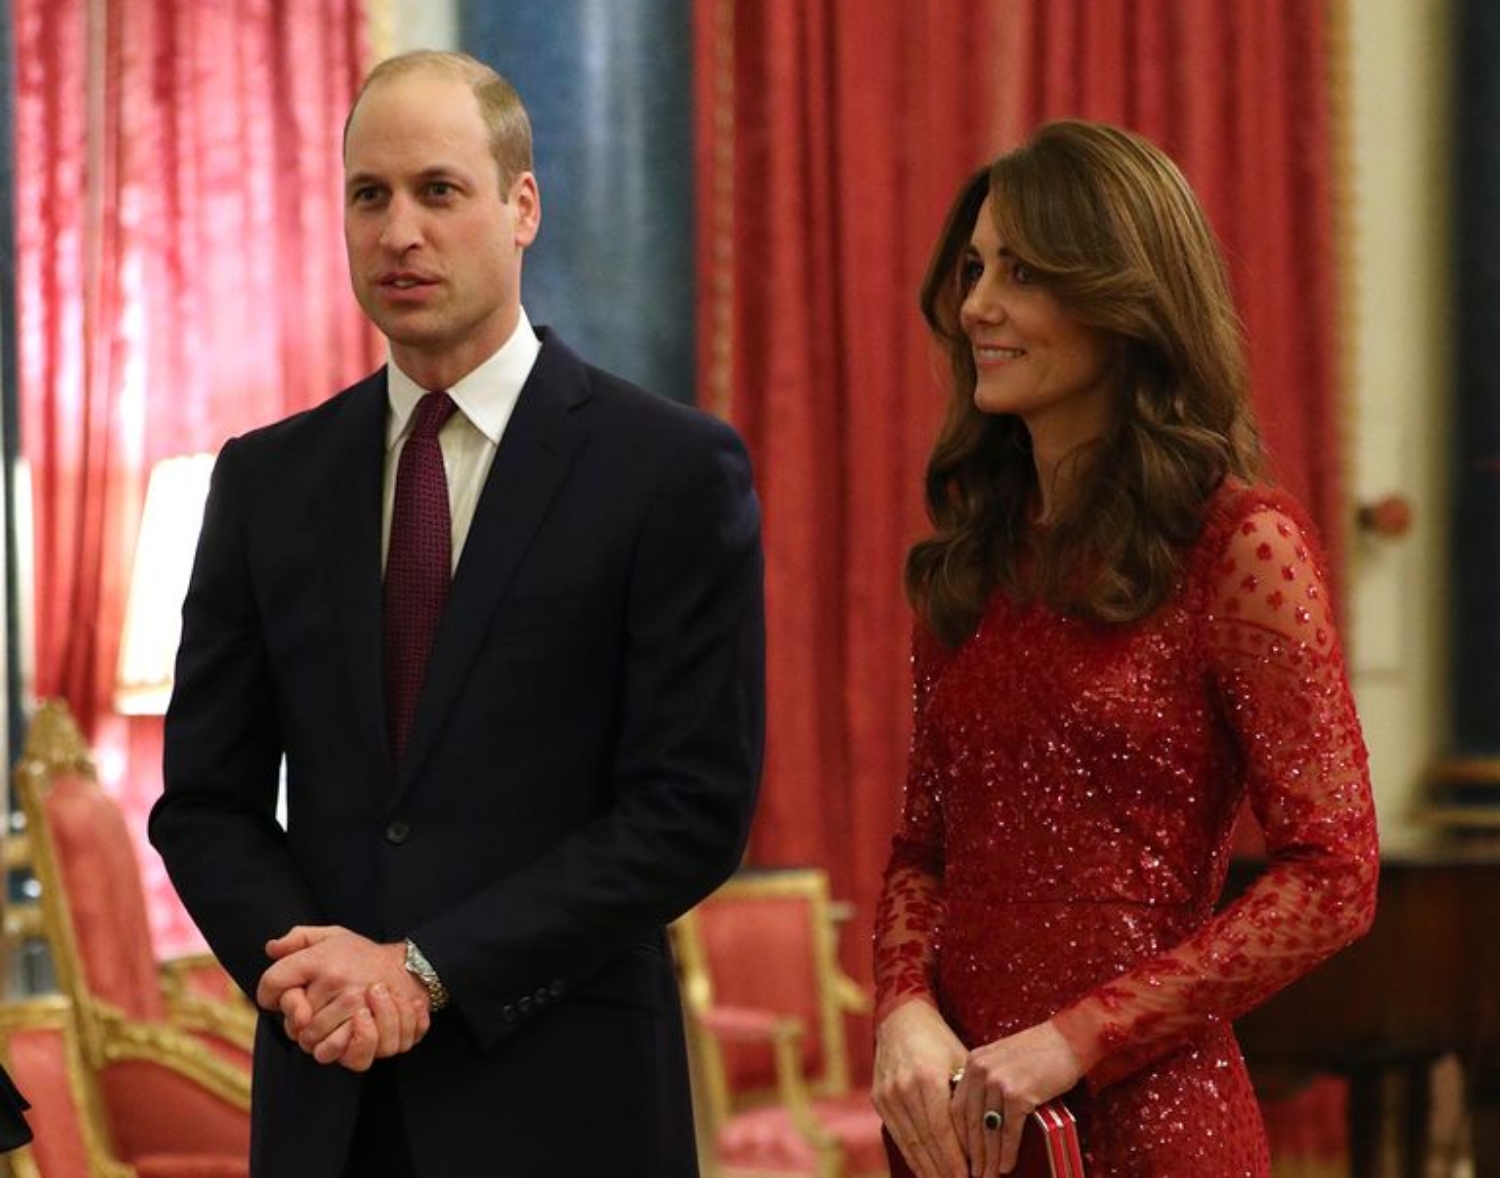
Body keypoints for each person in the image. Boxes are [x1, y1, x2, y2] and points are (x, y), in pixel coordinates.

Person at [149, 50, 764, 1178]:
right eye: (368, 195)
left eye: (439, 190)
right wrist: (308, 973)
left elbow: (690, 808)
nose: (399, 234)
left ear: (522, 205)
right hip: (330, 1103)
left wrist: (427, 968)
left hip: (566, 1104)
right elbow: (203, 802)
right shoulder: (266, 479)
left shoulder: (666, 468)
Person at [870, 120, 1378, 1178]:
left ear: (1124, 299)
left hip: (1156, 1125)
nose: (976, 307)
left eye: (1022, 272)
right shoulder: (972, 565)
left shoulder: (1242, 545)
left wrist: (1077, 1037)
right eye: (973, 269)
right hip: (968, 1134)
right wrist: (903, 1006)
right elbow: (924, 849)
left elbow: (1335, 874)